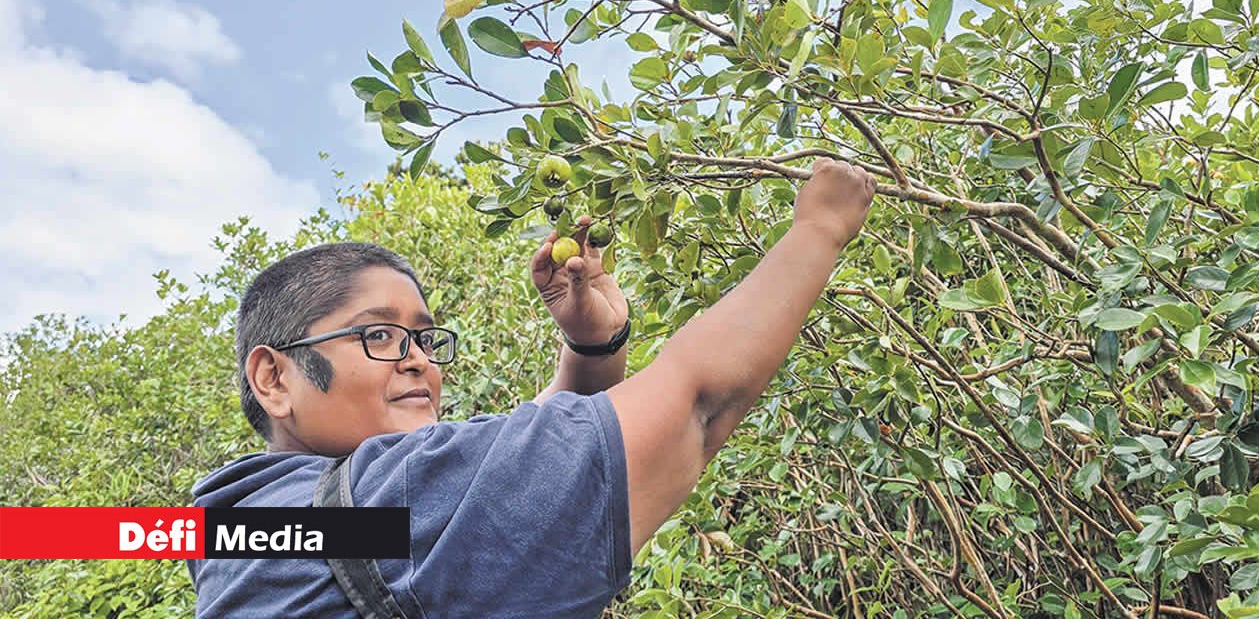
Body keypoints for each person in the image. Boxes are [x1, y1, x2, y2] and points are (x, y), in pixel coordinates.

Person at [187, 156, 876, 618]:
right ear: (274, 378)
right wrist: (819, 228)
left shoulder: (247, 526)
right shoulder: (380, 507)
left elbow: (498, 465)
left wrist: (589, 349)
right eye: (380, 335)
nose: (419, 363)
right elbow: (694, 406)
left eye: (426, 339)